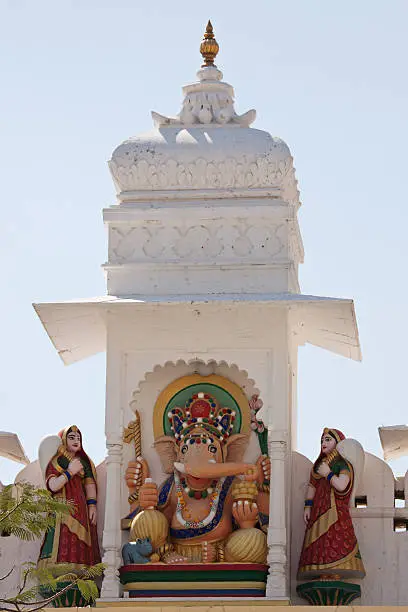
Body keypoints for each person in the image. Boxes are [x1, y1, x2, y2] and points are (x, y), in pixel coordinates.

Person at [298, 428, 365, 579]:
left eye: (328, 439)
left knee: (335, 538)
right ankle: (322, 572)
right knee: (319, 540)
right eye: (322, 440)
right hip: (318, 509)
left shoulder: (342, 464)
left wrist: (328, 473)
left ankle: (335, 572)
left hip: (335, 511)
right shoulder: (319, 465)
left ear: (339, 443)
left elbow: (342, 485)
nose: (323, 443)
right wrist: (308, 506)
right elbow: (312, 486)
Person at [38, 425, 101, 568]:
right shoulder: (58, 460)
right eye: (71, 437)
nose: (76, 440)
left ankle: (81, 568)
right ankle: (58, 567)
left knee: (80, 539)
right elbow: (53, 485)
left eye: (78, 438)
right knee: (62, 536)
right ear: (63, 441)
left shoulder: (84, 463)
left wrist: (92, 506)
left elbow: (89, 484)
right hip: (61, 506)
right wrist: (69, 472)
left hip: (80, 507)